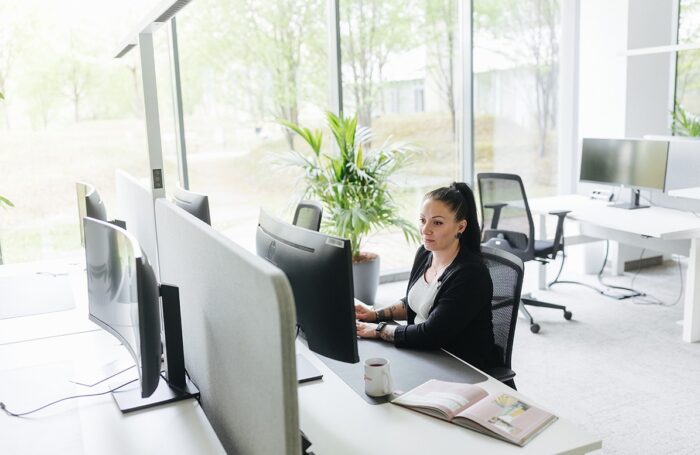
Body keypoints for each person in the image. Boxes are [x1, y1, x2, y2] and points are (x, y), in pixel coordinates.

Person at [355, 182, 499, 371]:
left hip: (459, 365)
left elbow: (431, 334)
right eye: (423, 220)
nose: (425, 229)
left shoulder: (470, 274)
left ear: (461, 227)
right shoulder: (425, 253)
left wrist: (379, 329)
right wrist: (375, 315)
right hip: (423, 353)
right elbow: (416, 300)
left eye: (437, 222)